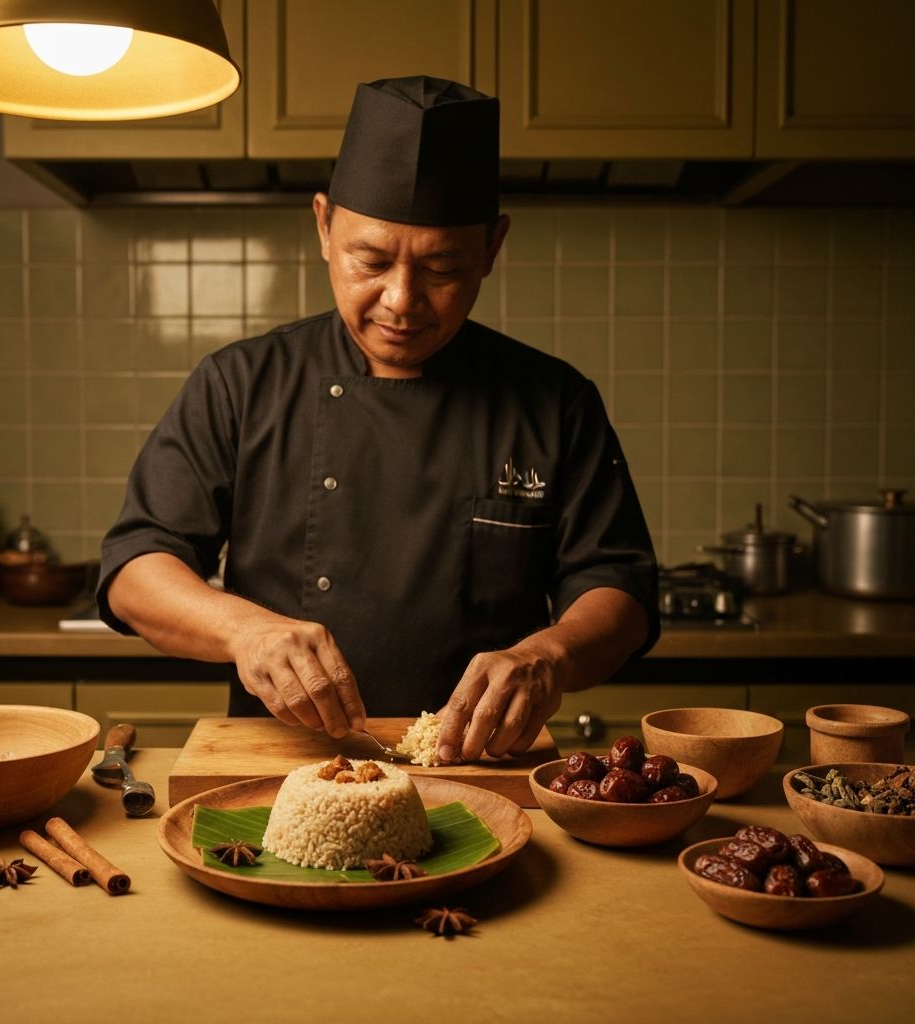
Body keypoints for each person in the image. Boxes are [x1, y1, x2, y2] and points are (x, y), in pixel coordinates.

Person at [97, 76, 659, 764]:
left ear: (491, 249)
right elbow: (133, 570)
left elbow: (619, 587)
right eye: (372, 259)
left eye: (443, 267)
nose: (402, 300)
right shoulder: (240, 383)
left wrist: (551, 653)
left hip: (482, 764)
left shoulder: (554, 400)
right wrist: (246, 631)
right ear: (324, 226)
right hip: (285, 771)